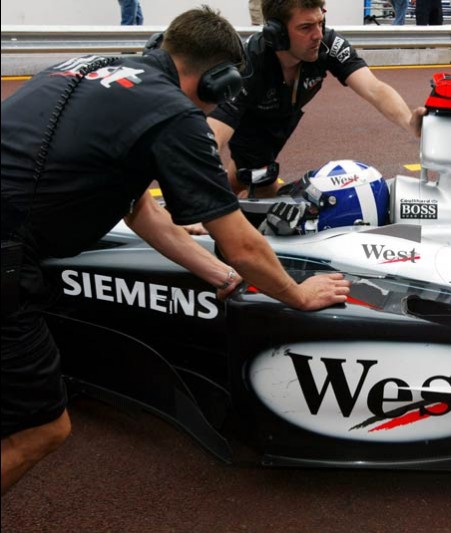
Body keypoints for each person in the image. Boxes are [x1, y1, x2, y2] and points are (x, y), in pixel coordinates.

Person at [0, 6, 349, 495]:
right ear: (217, 82)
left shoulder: (84, 66)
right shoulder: (172, 112)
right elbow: (241, 244)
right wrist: (298, 295)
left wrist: (218, 274)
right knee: (40, 428)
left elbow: (140, 210)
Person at [207, 0, 425, 200]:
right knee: (258, 194)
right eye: (306, 27)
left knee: (246, 184)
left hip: (282, 121)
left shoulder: (327, 44)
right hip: (250, 128)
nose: (318, 35)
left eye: (320, 22)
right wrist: (201, 201)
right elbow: (213, 134)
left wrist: (408, 121)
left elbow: (374, 88)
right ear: (277, 33)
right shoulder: (249, 65)